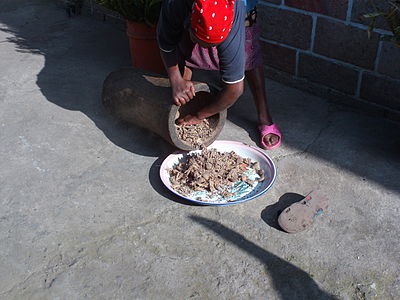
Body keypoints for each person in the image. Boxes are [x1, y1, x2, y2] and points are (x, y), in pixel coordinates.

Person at [157, 0, 282, 149]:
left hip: (234, 10)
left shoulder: (236, 16)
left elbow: (235, 89)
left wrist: (200, 115)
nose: (208, 48)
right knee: (185, 49)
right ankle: (182, 100)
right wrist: (176, 80)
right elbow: (166, 42)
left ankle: (264, 116)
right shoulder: (175, 5)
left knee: (248, 54)